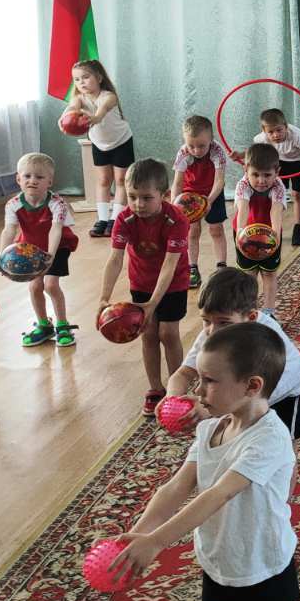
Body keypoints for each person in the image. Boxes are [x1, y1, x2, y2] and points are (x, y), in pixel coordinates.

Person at [112, 322, 300, 601]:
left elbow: (218, 494)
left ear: (252, 386)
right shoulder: (212, 429)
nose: (199, 390)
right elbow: (179, 486)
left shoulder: (269, 438)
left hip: (263, 561)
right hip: (219, 559)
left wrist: (158, 542)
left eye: (210, 381)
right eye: (199, 379)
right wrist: (139, 532)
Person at [169, 268, 300, 443]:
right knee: (243, 438)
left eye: (224, 322)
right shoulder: (212, 333)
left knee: (282, 444)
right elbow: (183, 373)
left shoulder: (265, 337)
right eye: (206, 320)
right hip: (246, 392)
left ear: (251, 317)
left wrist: (206, 407)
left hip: (286, 393)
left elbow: (259, 389)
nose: (213, 330)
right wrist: (172, 400)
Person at [99, 159, 190, 416]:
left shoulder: (177, 219)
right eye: (132, 197)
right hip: (140, 282)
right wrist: (104, 297)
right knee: (148, 334)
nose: (139, 204)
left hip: (173, 283)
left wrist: (152, 303)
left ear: (165, 195)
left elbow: (170, 264)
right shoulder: (124, 219)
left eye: (147, 198)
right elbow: (115, 259)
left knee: (168, 334)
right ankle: (155, 388)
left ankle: (177, 391)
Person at [1, 152, 78, 348]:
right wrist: (3, 256)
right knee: (35, 287)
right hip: (30, 248)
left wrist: (50, 256)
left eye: (39, 177)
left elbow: (56, 229)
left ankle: (62, 325)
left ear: (49, 181)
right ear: (18, 179)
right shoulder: (13, 204)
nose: (32, 181)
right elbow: (9, 230)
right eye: (27, 176)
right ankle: (44, 325)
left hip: (57, 246)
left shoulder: (57, 203)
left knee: (51, 285)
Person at [63, 58, 134, 237]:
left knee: (121, 180)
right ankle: (102, 219)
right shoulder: (79, 99)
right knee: (103, 180)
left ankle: (115, 219)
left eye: (86, 77)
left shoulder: (109, 96)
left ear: (99, 78)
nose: (81, 82)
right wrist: (63, 120)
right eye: (77, 79)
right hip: (100, 144)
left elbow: (101, 111)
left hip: (121, 141)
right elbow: (71, 108)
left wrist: (94, 118)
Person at [172, 115, 230, 290]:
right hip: (190, 194)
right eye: (191, 146)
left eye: (201, 146)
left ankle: (221, 267)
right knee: (193, 231)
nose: (196, 150)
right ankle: (192, 269)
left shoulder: (217, 151)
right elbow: (177, 183)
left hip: (213, 192)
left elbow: (219, 181)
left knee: (216, 229)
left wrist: (209, 201)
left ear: (211, 140)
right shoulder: (183, 153)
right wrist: (174, 206)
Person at [233, 144, 288, 313]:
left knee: (269, 273)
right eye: (255, 174)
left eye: (267, 175)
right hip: (245, 233)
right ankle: (248, 309)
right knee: (248, 274)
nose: (261, 180)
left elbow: (275, 211)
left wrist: (275, 237)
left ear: (277, 172)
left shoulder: (278, 187)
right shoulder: (243, 185)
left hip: (270, 234)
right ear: (246, 169)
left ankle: (269, 312)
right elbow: (243, 208)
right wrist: (241, 233)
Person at [254, 108, 300, 247]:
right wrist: (240, 155)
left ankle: (298, 228)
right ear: (264, 131)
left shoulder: (297, 136)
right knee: (275, 194)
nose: (275, 135)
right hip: (280, 160)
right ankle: (272, 227)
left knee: (297, 194)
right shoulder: (262, 138)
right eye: (271, 132)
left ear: (286, 127)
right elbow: (253, 152)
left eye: (279, 130)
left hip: (299, 161)